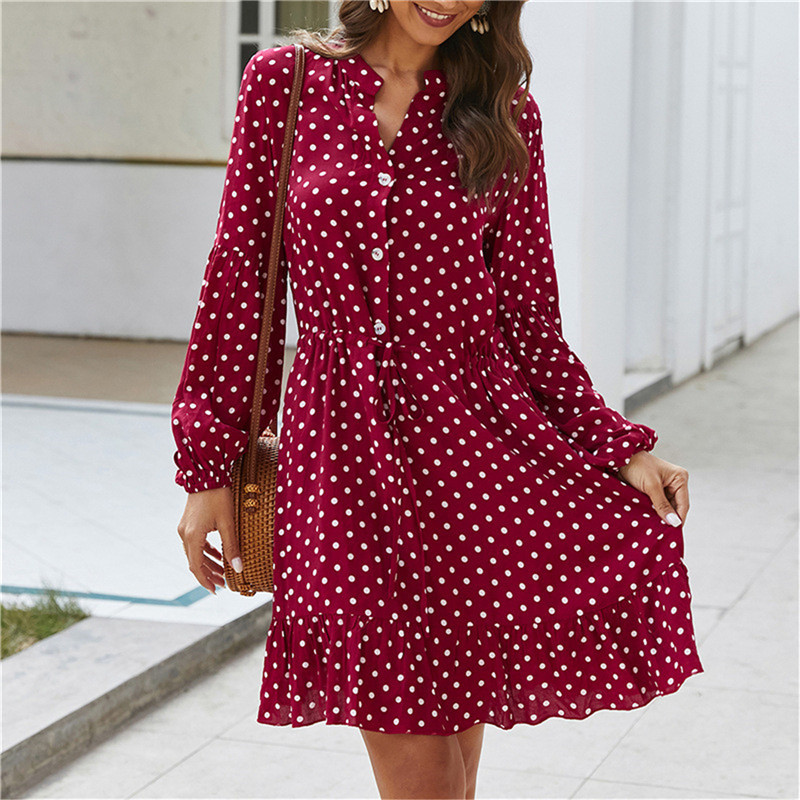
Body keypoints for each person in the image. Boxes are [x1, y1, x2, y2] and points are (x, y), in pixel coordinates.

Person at [171, 1, 704, 797]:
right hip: (343, 462)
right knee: (423, 768)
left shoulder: (503, 111)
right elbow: (240, 277)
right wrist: (208, 467)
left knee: (450, 765)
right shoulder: (285, 84)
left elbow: (527, 318)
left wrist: (617, 445)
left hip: (472, 460)